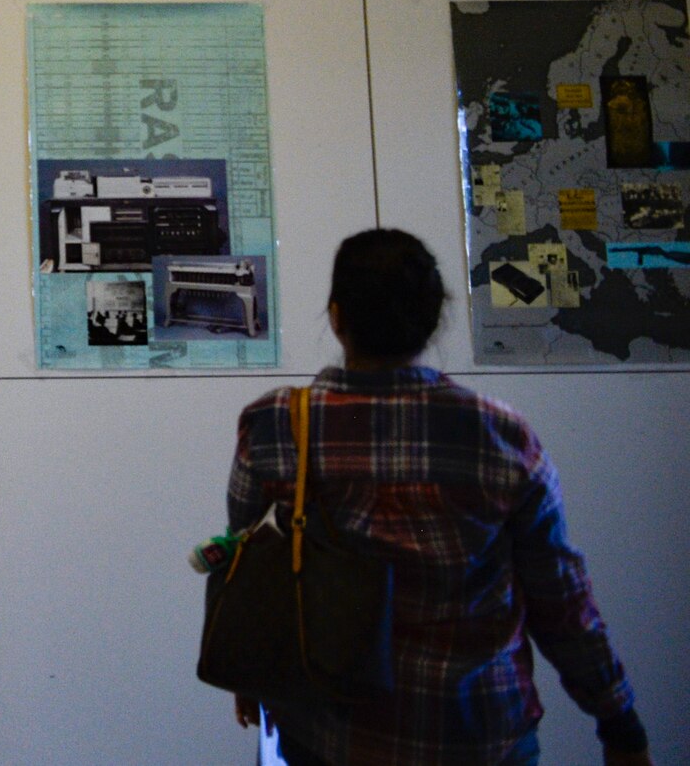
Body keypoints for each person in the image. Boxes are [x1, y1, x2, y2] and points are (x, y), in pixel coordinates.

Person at [218, 228, 650, 766]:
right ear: (434, 317)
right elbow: (560, 600)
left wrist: (252, 675)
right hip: (478, 735)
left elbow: (245, 561)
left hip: (330, 734)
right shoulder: (499, 435)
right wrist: (619, 722)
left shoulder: (276, 423)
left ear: (335, 317)